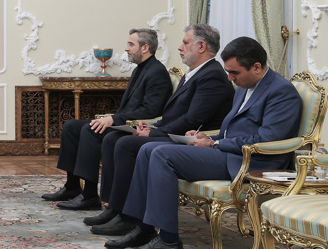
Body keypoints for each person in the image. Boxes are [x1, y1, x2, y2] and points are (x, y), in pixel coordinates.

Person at [111, 37, 302, 249]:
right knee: (148, 149)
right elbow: (231, 128)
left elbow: (266, 139)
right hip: (227, 153)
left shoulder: (282, 92)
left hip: (250, 163)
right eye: (228, 72)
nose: (230, 78)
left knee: (161, 154)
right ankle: (144, 228)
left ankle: (169, 242)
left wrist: (216, 143)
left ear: (257, 67)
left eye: (234, 73)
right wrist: (206, 137)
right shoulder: (244, 85)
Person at [86, 24, 235, 236]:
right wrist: (153, 125)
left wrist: (154, 133)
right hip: (173, 133)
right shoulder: (194, 73)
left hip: (191, 141)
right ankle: (115, 208)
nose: (180, 47)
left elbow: (193, 119)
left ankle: (128, 217)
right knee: (113, 138)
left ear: (201, 46)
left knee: (126, 144)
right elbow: (175, 115)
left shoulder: (212, 76)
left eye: (185, 42)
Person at [42, 28, 173, 210]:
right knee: (72, 126)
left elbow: (150, 110)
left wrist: (114, 119)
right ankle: (72, 187)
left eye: (130, 44)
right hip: (124, 122)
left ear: (145, 48)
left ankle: (89, 196)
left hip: (137, 127)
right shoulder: (140, 69)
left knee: (91, 130)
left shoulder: (157, 71)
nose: (126, 48)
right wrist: (114, 118)